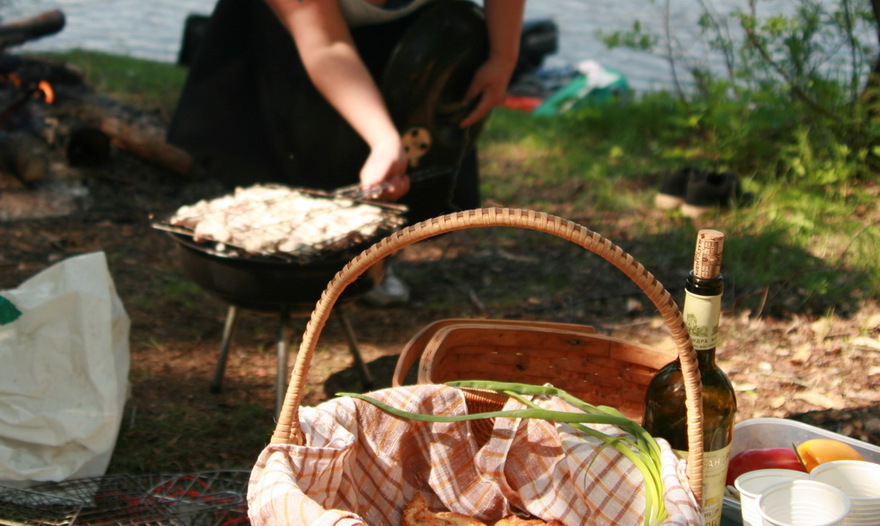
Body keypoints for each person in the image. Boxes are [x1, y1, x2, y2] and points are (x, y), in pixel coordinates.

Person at [167, 0, 525, 304]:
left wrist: (502, 55)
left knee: (413, 127)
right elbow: (325, 45)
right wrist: (384, 140)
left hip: (421, 27)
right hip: (300, 30)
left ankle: (375, 259)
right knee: (302, 142)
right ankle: (294, 264)